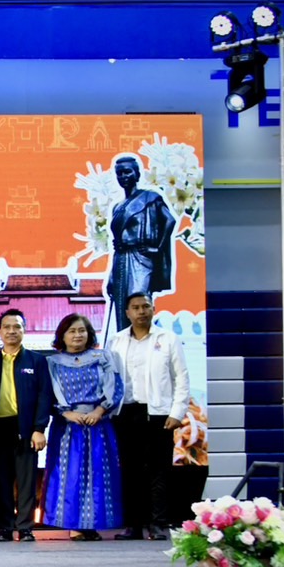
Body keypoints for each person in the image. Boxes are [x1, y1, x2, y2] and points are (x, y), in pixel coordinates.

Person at [107, 292, 191, 541]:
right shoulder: (116, 340)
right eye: (136, 307)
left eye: (146, 306)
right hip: (125, 412)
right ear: (127, 313)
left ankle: (158, 524)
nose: (141, 311)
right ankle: (133, 525)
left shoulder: (168, 339)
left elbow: (181, 378)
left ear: (153, 309)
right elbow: (110, 378)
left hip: (158, 413)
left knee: (158, 470)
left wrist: (177, 412)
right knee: (130, 471)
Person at [43, 313, 124, 539]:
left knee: (98, 474)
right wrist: (66, 413)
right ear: (62, 336)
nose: (77, 335)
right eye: (72, 331)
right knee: (70, 475)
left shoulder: (102, 357)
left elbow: (116, 386)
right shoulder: (52, 362)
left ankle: (93, 524)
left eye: (82, 330)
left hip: (98, 424)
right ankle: (74, 525)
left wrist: (99, 411)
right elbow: (46, 393)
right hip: (68, 427)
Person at [0, 308, 53, 542]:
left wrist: (39, 428)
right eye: (7, 327)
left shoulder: (37, 361)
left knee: (26, 480)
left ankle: (25, 527)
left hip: (26, 427)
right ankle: (5, 527)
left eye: (17, 327)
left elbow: (45, 396)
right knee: (1, 479)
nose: (12, 331)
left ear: (24, 330)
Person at [107, 156, 176, 334]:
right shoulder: (117, 207)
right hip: (121, 259)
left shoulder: (150, 198)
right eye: (119, 173)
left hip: (141, 257)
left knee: (138, 302)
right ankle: (125, 344)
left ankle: (143, 341)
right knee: (122, 306)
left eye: (127, 172)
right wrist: (111, 276)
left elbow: (169, 221)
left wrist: (158, 248)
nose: (123, 176)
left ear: (137, 174)